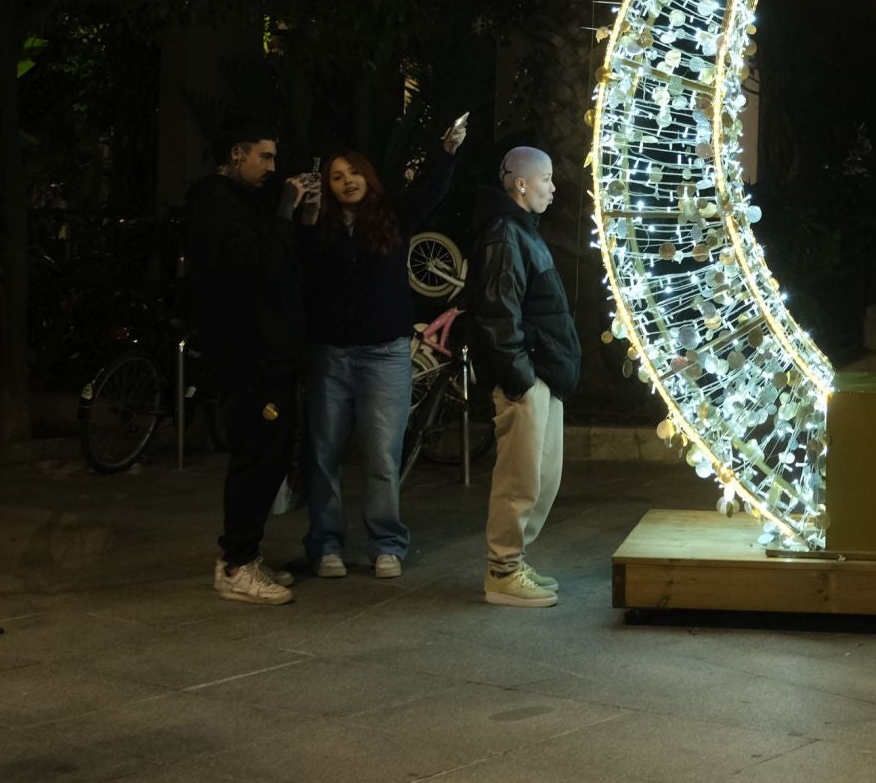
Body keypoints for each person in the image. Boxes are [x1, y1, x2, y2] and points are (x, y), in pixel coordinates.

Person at [297, 117, 467, 579]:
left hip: (385, 353)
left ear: (367, 177)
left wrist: (446, 152)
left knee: (381, 453)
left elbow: (431, 191)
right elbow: (303, 275)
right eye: (336, 176)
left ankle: (386, 543)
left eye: (352, 173)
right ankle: (326, 544)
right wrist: (307, 218)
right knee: (323, 452)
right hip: (331, 353)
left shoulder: (392, 214)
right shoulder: (317, 226)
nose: (346, 181)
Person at [184, 118, 309, 606]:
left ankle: (245, 555)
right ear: (236, 154)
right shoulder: (214, 202)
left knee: (271, 455)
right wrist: (283, 211)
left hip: (270, 354)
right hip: (248, 355)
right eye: (265, 157)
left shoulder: (242, 203)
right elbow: (258, 264)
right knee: (255, 457)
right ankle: (236, 564)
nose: (273, 168)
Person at [467, 146, 580, 607]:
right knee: (521, 479)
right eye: (546, 178)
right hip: (526, 378)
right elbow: (498, 315)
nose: (553, 188)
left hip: (540, 376)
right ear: (520, 184)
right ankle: (503, 571)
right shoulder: (505, 235)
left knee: (541, 477)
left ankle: (513, 562)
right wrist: (520, 380)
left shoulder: (520, 232)